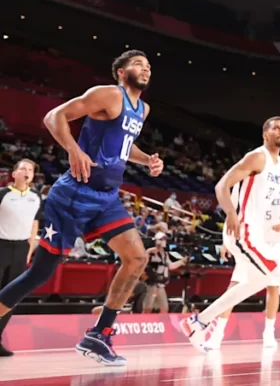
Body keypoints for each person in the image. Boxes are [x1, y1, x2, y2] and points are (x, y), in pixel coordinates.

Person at [0, 51, 163, 366]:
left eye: (148, 66)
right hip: (74, 194)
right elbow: (54, 117)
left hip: (107, 198)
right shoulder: (108, 94)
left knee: (137, 258)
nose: (145, 69)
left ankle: (98, 335)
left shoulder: (143, 109)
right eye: (138, 64)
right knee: (39, 274)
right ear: (120, 72)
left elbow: (124, 145)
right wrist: (73, 149)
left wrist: (147, 160)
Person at [179, 117, 280, 352]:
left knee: (253, 283)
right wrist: (231, 213)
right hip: (244, 232)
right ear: (265, 134)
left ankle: (197, 322)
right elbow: (222, 185)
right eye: (276, 128)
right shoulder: (257, 157)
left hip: (260, 237)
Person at [205, 185, 280, 350]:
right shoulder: (254, 181)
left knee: (273, 287)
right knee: (235, 285)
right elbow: (234, 211)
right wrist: (226, 240)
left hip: (274, 242)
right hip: (252, 240)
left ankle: (269, 333)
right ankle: (217, 334)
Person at [0, 159, 44, 356]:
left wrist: (29, 249)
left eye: (30, 170)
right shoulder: (3, 194)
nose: (27, 172)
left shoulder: (36, 197)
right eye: (23, 168)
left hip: (21, 249)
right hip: (1, 245)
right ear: (14, 173)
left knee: (11, 296)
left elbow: (35, 223)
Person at [141, 232, 188, 313]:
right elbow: (144, 263)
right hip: (152, 283)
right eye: (161, 239)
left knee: (164, 307)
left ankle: (162, 320)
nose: (163, 241)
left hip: (161, 284)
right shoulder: (150, 252)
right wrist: (153, 251)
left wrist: (181, 261)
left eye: (164, 240)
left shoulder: (165, 254)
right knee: (148, 308)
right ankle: (142, 319)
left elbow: (170, 266)